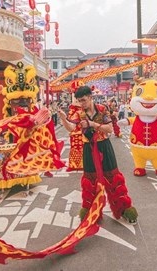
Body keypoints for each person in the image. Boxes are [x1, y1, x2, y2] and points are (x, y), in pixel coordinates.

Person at [59, 86, 138, 224]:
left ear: (90, 97)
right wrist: (64, 119)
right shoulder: (79, 113)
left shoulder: (102, 109)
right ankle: (91, 212)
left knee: (113, 178)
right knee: (90, 181)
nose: (82, 103)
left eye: (83, 100)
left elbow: (110, 129)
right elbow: (71, 128)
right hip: (88, 149)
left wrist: (92, 124)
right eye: (79, 101)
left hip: (104, 146)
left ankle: (123, 208)